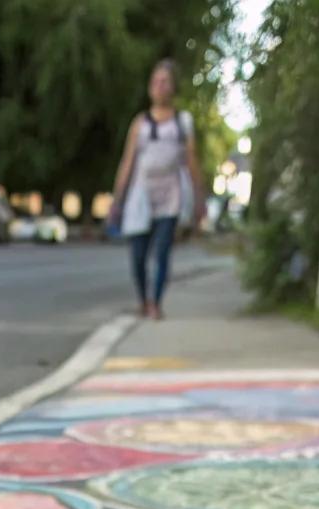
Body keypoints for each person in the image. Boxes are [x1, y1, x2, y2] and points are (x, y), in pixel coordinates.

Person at [111, 60, 205, 318]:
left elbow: (192, 161)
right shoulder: (140, 123)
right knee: (138, 256)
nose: (159, 86)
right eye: (155, 81)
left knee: (162, 253)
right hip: (141, 195)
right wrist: (117, 200)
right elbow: (127, 162)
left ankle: (156, 303)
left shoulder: (182, 122)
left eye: (164, 82)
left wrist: (200, 199)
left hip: (170, 196)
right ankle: (143, 299)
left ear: (173, 87)